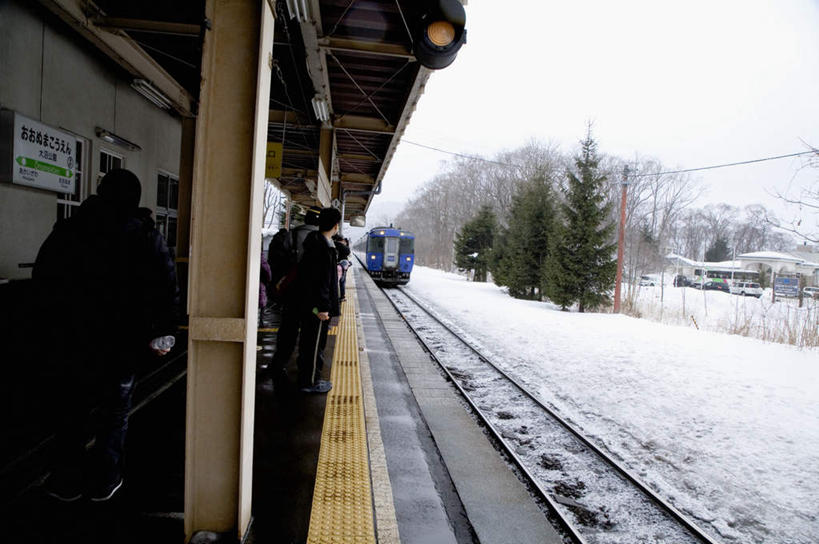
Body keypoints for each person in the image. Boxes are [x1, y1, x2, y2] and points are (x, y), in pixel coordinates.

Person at [33, 168, 179, 502]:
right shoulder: (145, 236)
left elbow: (44, 282)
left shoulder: (70, 230)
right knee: (114, 414)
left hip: (71, 342)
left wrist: (45, 332)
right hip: (123, 345)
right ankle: (105, 479)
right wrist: (163, 333)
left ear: (101, 193)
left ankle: (66, 481)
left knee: (71, 412)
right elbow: (166, 288)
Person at [265, 207, 321, 386]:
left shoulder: (292, 235)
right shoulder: (322, 239)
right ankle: (305, 373)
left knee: (287, 329)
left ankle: (278, 363)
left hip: (292, 293)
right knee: (308, 335)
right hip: (311, 297)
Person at [295, 207, 341, 393]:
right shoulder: (322, 248)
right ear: (335, 225)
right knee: (314, 345)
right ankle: (310, 382)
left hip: (311, 304)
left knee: (310, 342)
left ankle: (309, 378)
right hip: (316, 307)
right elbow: (320, 280)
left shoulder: (317, 243)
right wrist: (322, 307)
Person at [334, 235, 351, 302]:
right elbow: (348, 251)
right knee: (342, 281)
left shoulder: (332, 243)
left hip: (337, 265)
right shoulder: (340, 245)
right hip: (340, 266)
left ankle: (339, 297)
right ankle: (342, 297)